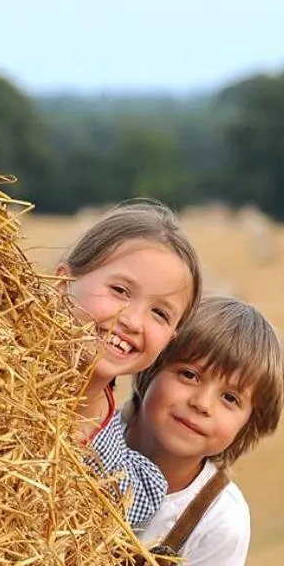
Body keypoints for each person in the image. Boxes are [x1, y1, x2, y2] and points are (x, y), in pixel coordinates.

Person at [126, 297, 284, 566]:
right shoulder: (85, 434)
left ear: (250, 425)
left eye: (229, 398)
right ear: (151, 367)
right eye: (189, 375)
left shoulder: (220, 519)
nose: (201, 403)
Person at [57, 203, 201, 527]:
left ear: (169, 340)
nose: (133, 321)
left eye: (160, 313)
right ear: (62, 283)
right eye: (120, 291)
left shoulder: (128, 484)